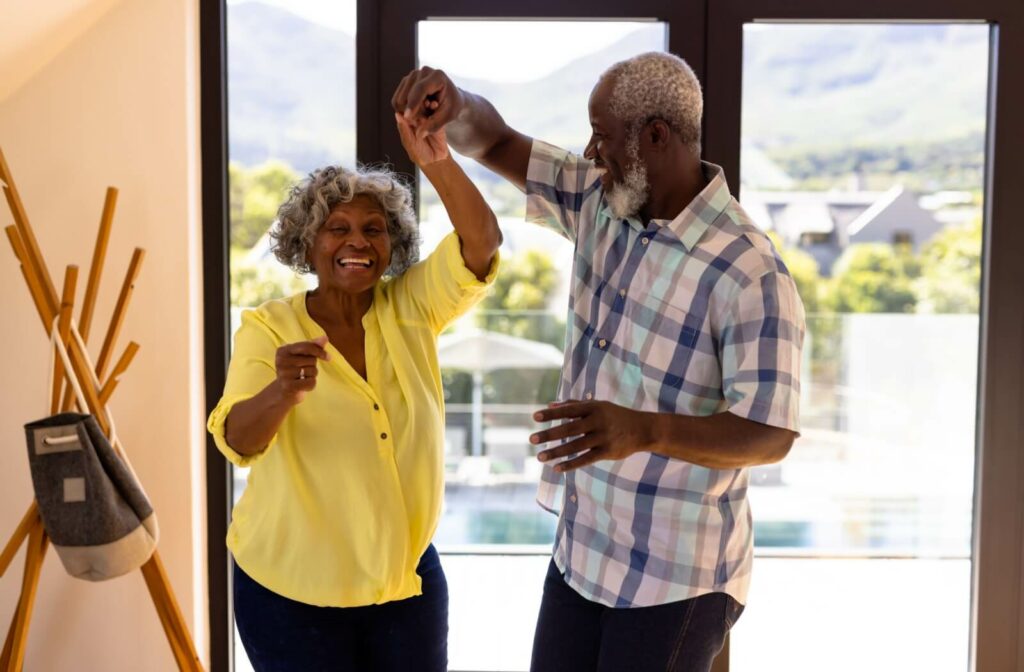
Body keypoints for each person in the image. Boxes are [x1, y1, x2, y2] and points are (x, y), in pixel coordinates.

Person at [393, 51, 805, 672]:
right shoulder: (599, 200)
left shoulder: (748, 272)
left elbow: (771, 434)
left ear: (656, 137)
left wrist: (645, 430)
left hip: (677, 574)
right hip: (582, 550)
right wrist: (455, 106)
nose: (589, 152)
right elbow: (497, 139)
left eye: (604, 136)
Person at [206, 114, 500, 672]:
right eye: (337, 228)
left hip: (403, 578)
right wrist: (280, 392)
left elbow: (481, 241)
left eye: (374, 228)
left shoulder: (413, 306)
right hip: (290, 591)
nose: (358, 242)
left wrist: (436, 160)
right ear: (308, 241)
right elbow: (237, 439)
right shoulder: (267, 327)